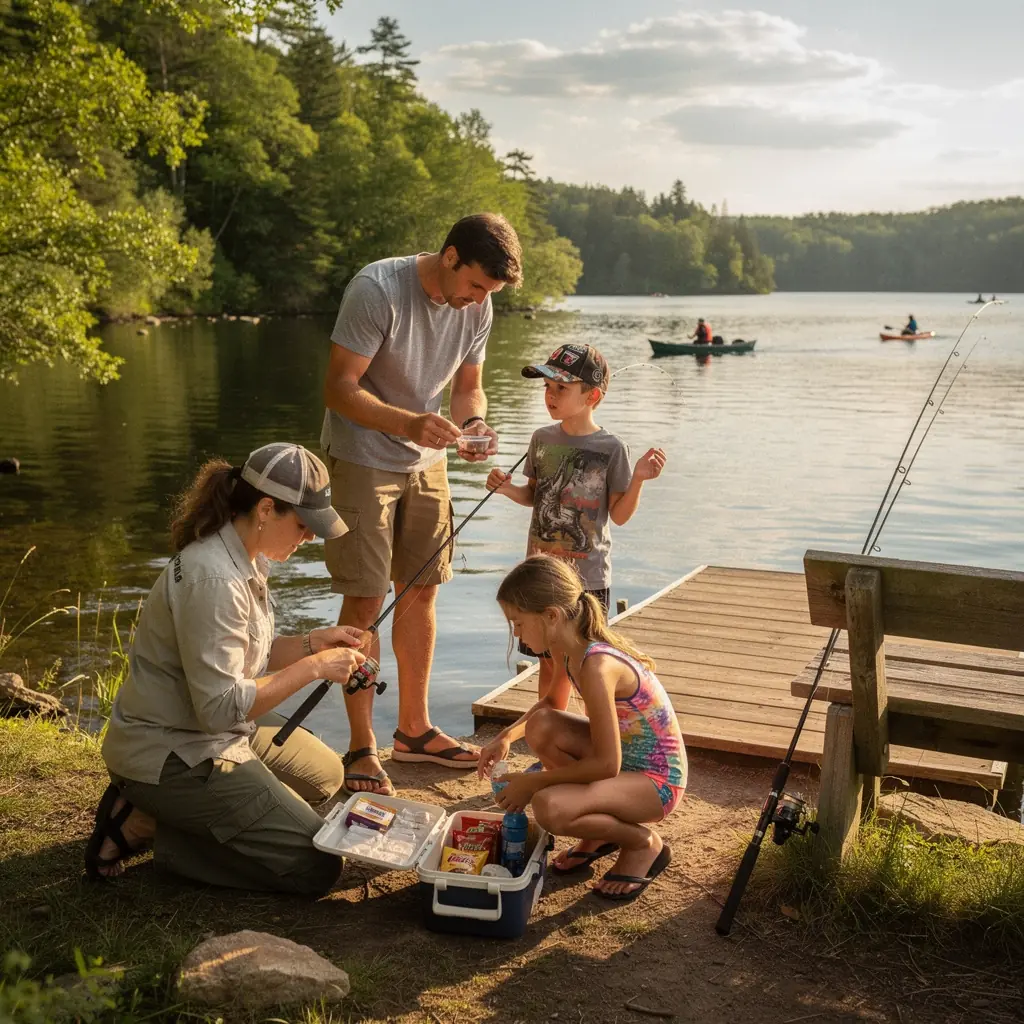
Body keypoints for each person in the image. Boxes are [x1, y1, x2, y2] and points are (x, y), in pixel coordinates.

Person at [88, 443, 367, 893]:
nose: (309, 538)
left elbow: (243, 655)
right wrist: (316, 666)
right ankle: (150, 828)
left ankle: (165, 812)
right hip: (170, 749)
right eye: (302, 525)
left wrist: (313, 643)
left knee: (326, 776)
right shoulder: (214, 578)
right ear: (265, 508)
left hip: (206, 729)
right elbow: (219, 710)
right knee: (314, 866)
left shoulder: (246, 554)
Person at [321, 213, 523, 795]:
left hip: (426, 461)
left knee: (423, 589)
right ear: (451, 256)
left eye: (490, 293)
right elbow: (340, 387)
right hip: (362, 456)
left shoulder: (477, 306)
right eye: (477, 286)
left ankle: (413, 731)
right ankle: (361, 748)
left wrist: (476, 422)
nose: (480, 300)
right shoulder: (377, 289)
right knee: (365, 599)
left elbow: (465, 390)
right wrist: (410, 421)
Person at [483, 342, 667, 810]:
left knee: (581, 671)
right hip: (541, 578)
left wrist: (641, 478)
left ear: (592, 396)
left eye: (561, 387)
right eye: (547, 386)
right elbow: (533, 496)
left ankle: (580, 757)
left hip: (585, 582)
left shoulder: (611, 448)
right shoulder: (542, 439)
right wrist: (507, 488)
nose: (550, 395)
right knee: (548, 667)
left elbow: (619, 515)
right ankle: (553, 754)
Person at [483, 555, 687, 902]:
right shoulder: (568, 648)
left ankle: (642, 844)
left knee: (550, 807)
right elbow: (550, 707)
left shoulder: (597, 665)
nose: (516, 633)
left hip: (657, 783)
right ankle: (597, 834)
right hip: (626, 770)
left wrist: (532, 782)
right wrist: (505, 737)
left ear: (551, 615)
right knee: (541, 724)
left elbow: (608, 765)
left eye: (518, 623)